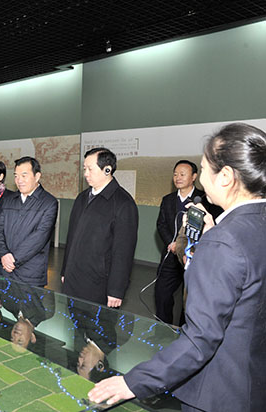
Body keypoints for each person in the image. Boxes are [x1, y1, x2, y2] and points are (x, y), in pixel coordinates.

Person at [88, 123, 266, 412]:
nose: (202, 178)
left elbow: (201, 338)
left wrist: (134, 382)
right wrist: (209, 237)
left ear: (226, 176)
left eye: (204, 169)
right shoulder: (248, 226)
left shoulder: (224, 242)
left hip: (218, 392)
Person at [61, 147, 138, 308]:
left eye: (90, 169)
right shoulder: (82, 198)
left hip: (98, 285)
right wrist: (64, 271)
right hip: (74, 278)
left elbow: (123, 252)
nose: (85, 174)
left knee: (98, 324)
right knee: (74, 321)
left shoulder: (123, 203)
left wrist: (116, 290)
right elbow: (71, 238)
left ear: (107, 170)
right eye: (84, 169)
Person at [0, 156, 58, 286]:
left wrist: (13, 260)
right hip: (4, 270)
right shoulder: (9, 200)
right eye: (16, 176)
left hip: (30, 273)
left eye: (24, 175)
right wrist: (4, 254)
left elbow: (39, 237)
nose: (19, 180)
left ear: (37, 176)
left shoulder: (49, 202)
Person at [155, 160, 204, 325]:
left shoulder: (204, 200)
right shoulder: (168, 200)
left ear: (194, 177)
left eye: (182, 174)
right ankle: (162, 330)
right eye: (175, 174)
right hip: (171, 255)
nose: (178, 178)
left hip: (193, 258)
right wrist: (172, 243)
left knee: (189, 299)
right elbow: (161, 224)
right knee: (162, 295)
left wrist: (184, 246)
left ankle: (185, 332)